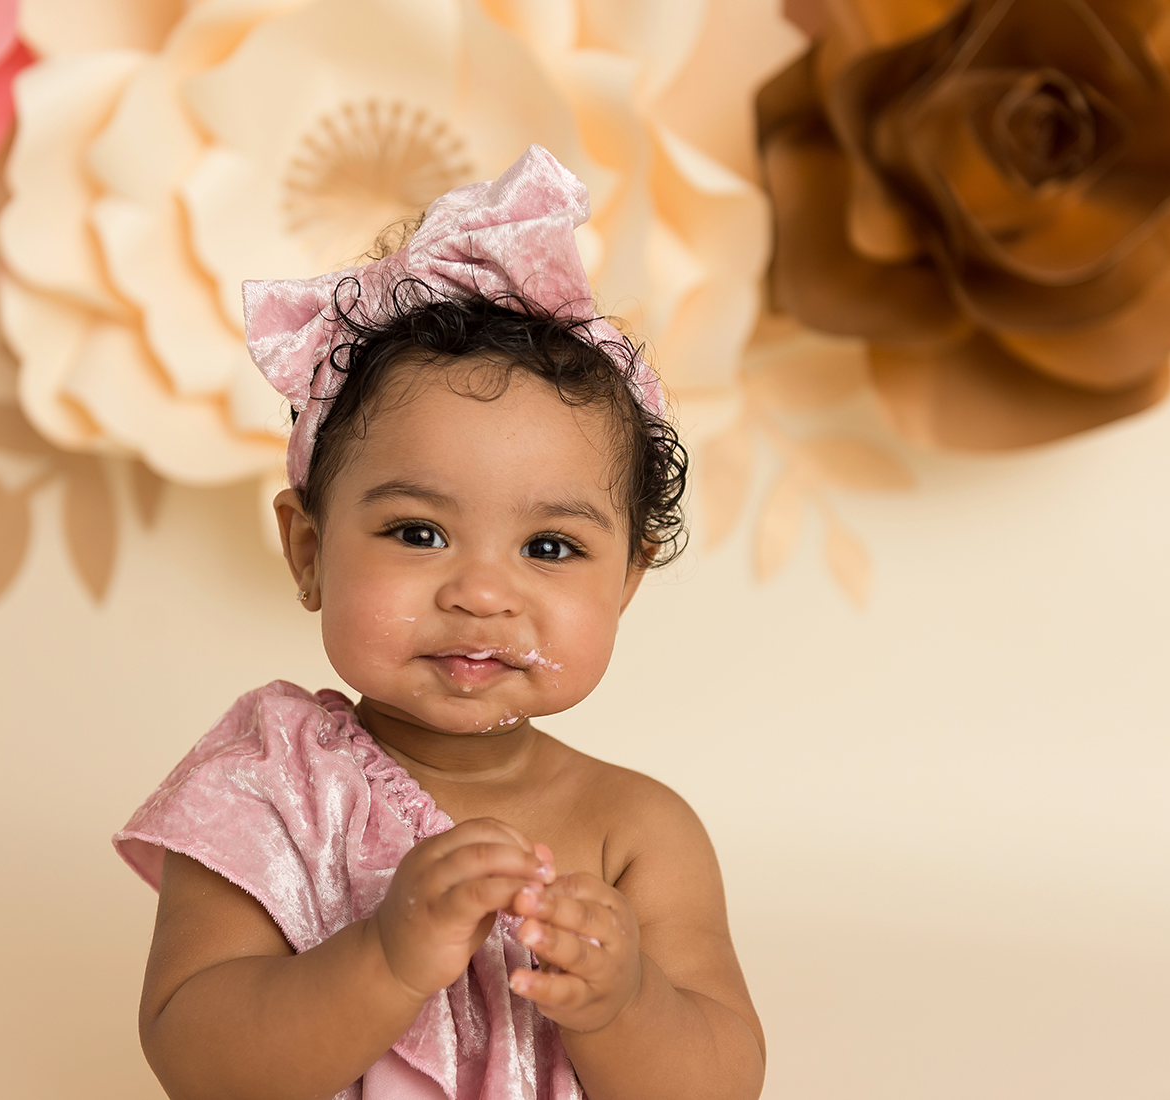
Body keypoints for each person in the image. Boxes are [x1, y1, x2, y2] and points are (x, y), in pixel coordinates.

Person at [115, 146, 764, 1100]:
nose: (481, 594)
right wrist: (385, 957)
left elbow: (722, 1083)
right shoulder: (266, 786)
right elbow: (198, 1061)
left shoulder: (638, 834)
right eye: (418, 532)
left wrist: (626, 1008)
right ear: (307, 552)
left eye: (550, 548)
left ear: (625, 584)